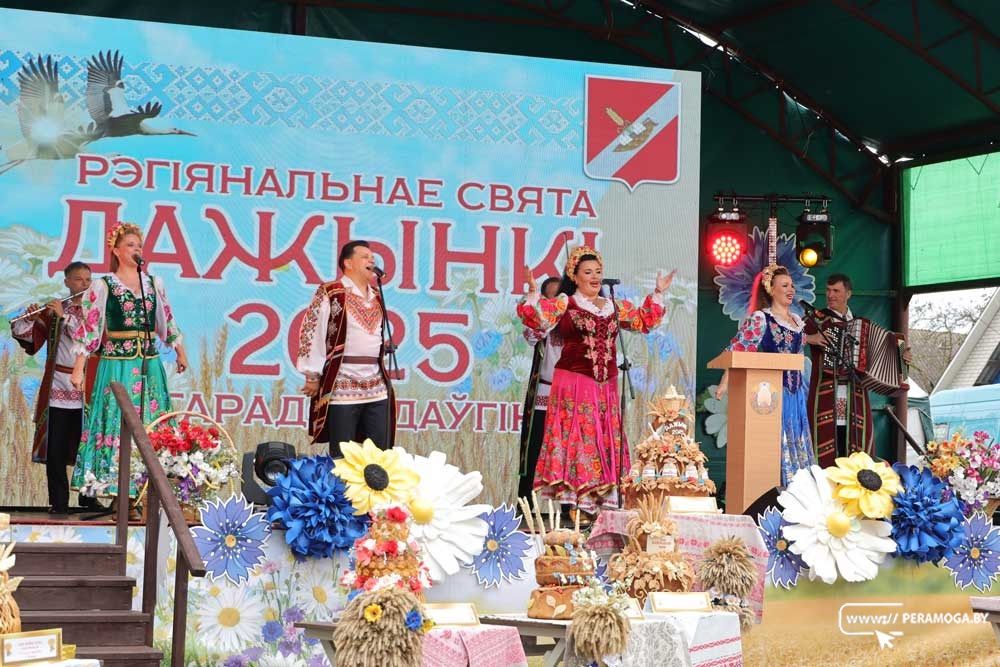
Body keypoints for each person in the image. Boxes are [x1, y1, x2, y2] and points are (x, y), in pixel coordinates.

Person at [517, 246, 674, 514]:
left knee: (603, 439)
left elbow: (643, 321)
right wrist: (533, 293)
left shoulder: (612, 305)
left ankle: (600, 503)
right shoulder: (566, 302)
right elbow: (538, 319)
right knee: (579, 440)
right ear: (575, 276)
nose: (595, 277)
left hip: (606, 386)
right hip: (574, 383)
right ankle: (575, 504)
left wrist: (658, 292)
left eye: (598, 272)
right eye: (588, 272)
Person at [69, 223, 188, 501]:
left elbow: (166, 320)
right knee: (116, 421)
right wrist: (79, 368)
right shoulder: (103, 285)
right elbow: (91, 328)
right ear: (116, 251)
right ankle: (118, 492)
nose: (136, 250)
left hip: (149, 364)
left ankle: (147, 491)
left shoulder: (153, 283)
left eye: (139, 246)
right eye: (130, 245)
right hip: (117, 365)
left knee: (150, 421)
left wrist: (180, 350)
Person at [11, 262, 100, 514]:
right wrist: (28, 319)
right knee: (56, 447)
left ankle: (89, 498)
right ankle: (59, 502)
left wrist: (64, 316)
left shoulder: (95, 311)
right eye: (79, 279)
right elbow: (30, 338)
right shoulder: (56, 309)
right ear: (67, 282)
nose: (84, 284)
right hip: (58, 386)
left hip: (87, 387)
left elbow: (89, 339)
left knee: (88, 447)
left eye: (88, 279)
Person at [716, 264, 813, 486]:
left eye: (792, 285)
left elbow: (798, 355)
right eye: (784, 285)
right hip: (774, 393)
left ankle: (799, 489)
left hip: (796, 393)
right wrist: (725, 382)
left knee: (796, 440)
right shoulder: (762, 318)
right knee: (777, 442)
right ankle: (777, 486)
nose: (791, 290)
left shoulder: (797, 320)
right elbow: (739, 349)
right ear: (771, 290)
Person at [298, 240, 395, 456]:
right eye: (365, 257)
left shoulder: (376, 295)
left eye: (373, 258)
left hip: (375, 384)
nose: (371, 260)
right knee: (343, 453)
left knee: (380, 452)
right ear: (348, 263)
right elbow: (312, 329)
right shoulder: (331, 292)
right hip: (343, 381)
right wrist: (312, 374)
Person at [803, 273, 911, 466]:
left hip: (855, 395)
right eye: (828, 290)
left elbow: (885, 355)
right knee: (830, 442)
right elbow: (789, 338)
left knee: (855, 446)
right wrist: (811, 338)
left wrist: (901, 358)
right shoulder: (816, 320)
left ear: (848, 294)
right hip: (827, 393)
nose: (831, 295)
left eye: (836, 291)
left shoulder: (861, 325)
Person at [518, 276, 562, 501]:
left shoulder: (577, 323)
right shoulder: (542, 323)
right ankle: (525, 503)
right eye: (552, 298)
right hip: (544, 391)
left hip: (571, 395)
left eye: (562, 296)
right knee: (534, 447)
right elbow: (531, 336)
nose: (558, 302)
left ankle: (570, 508)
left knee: (568, 452)